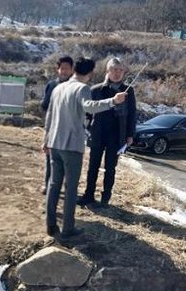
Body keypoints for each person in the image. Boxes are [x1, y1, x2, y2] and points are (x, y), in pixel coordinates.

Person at [42, 57, 126, 239]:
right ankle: (68, 229)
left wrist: (45, 140)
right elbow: (90, 107)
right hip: (72, 145)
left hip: (54, 143)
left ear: (74, 69)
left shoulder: (58, 88)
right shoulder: (82, 88)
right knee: (71, 188)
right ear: (90, 73)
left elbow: (49, 115)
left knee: (53, 185)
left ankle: (50, 224)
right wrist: (113, 101)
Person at [79, 57, 137, 207]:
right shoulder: (95, 89)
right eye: (114, 69)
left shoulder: (128, 91)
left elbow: (132, 114)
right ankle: (88, 195)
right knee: (93, 166)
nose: (117, 73)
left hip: (117, 134)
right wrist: (86, 129)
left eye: (120, 70)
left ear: (123, 72)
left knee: (110, 168)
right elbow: (87, 113)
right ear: (107, 70)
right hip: (97, 132)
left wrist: (130, 135)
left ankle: (106, 198)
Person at [40, 55, 74, 195]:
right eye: (62, 68)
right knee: (50, 157)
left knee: (67, 160)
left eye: (67, 68)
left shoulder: (75, 87)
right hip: (53, 127)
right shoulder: (52, 85)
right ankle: (48, 184)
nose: (64, 71)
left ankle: (63, 186)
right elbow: (45, 105)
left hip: (69, 129)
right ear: (58, 69)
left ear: (72, 70)